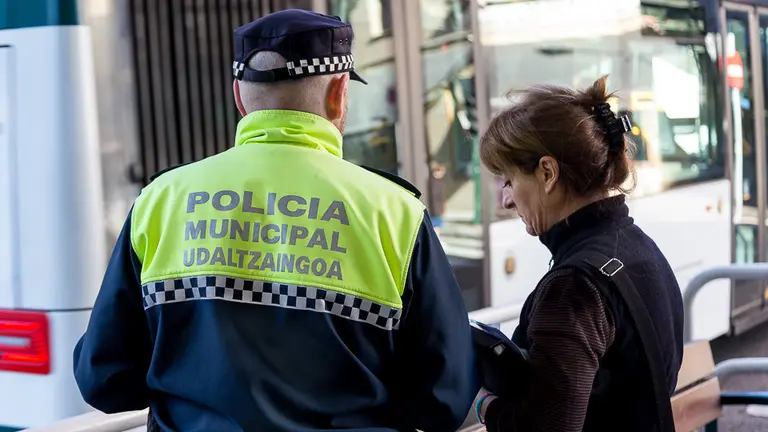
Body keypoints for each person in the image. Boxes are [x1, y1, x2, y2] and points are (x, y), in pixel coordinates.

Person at [72, 9, 478, 432]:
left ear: (239, 97)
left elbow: (105, 380)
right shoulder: (395, 212)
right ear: (339, 92)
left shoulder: (160, 202)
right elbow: (444, 400)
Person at [474, 76, 684, 431]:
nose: (507, 200)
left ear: (547, 173)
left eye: (509, 181)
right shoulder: (638, 247)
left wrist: (482, 404)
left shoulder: (575, 287)